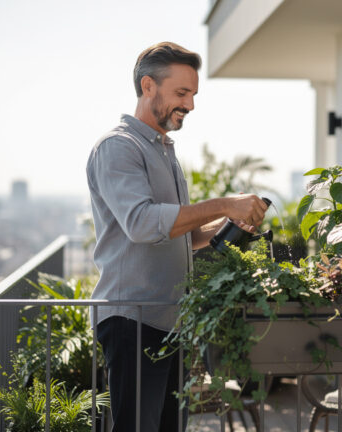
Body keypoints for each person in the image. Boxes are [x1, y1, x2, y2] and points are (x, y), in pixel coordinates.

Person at [86, 42, 268, 432]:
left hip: (170, 322)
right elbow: (141, 223)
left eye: (193, 94)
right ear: (148, 86)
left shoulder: (164, 150)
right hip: (133, 319)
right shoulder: (119, 147)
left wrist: (226, 227)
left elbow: (175, 234)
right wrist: (223, 204)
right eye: (181, 93)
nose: (190, 104)